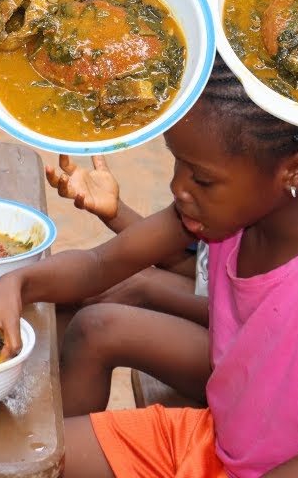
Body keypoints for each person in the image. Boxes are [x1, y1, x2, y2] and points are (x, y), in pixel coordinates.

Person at [0, 56, 298, 477]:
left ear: (295, 171)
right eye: (178, 165)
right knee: (32, 462)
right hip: (225, 443)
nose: (180, 187)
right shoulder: (234, 207)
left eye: (201, 177)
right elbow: (101, 264)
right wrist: (13, 284)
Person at [44, 154, 211, 415]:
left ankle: (58, 443)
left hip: (252, 361)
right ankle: (37, 408)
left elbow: (246, 317)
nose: (177, 187)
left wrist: (147, 289)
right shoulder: (225, 181)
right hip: (216, 307)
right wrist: (116, 212)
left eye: (202, 177)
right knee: (86, 291)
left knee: (97, 327)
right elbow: (197, 268)